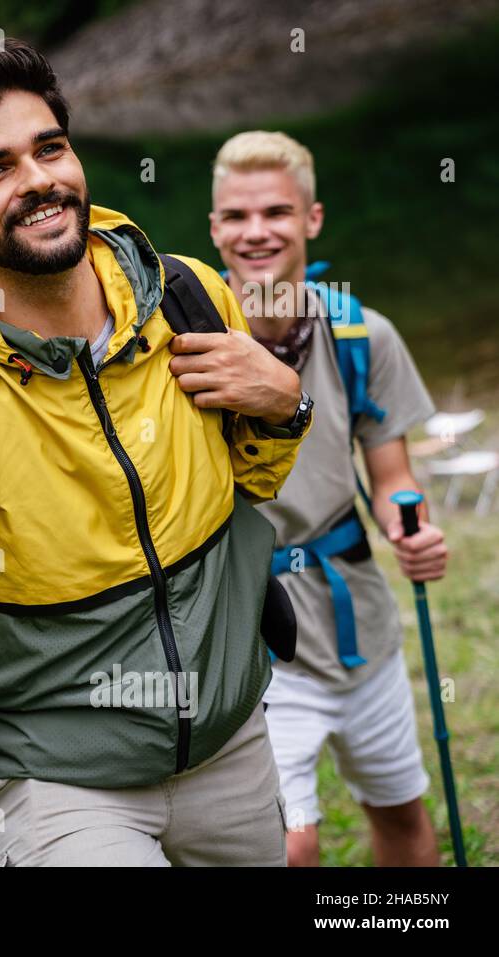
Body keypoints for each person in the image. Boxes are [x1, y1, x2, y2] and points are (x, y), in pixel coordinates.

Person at [0, 39, 315, 866]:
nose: (37, 181)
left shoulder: (191, 296)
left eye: (49, 148)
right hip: (60, 780)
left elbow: (242, 484)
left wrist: (286, 405)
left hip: (233, 740)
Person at [209, 131, 447, 866]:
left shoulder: (359, 333)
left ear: (313, 219)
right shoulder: (193, 342)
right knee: (291, 842)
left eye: (277, 211)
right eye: (237, 216)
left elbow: (390, 477)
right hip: (253, 632)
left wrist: (409, 524)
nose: (257, 232)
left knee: (402, 809)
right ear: (214, 227)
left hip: (359, 621)